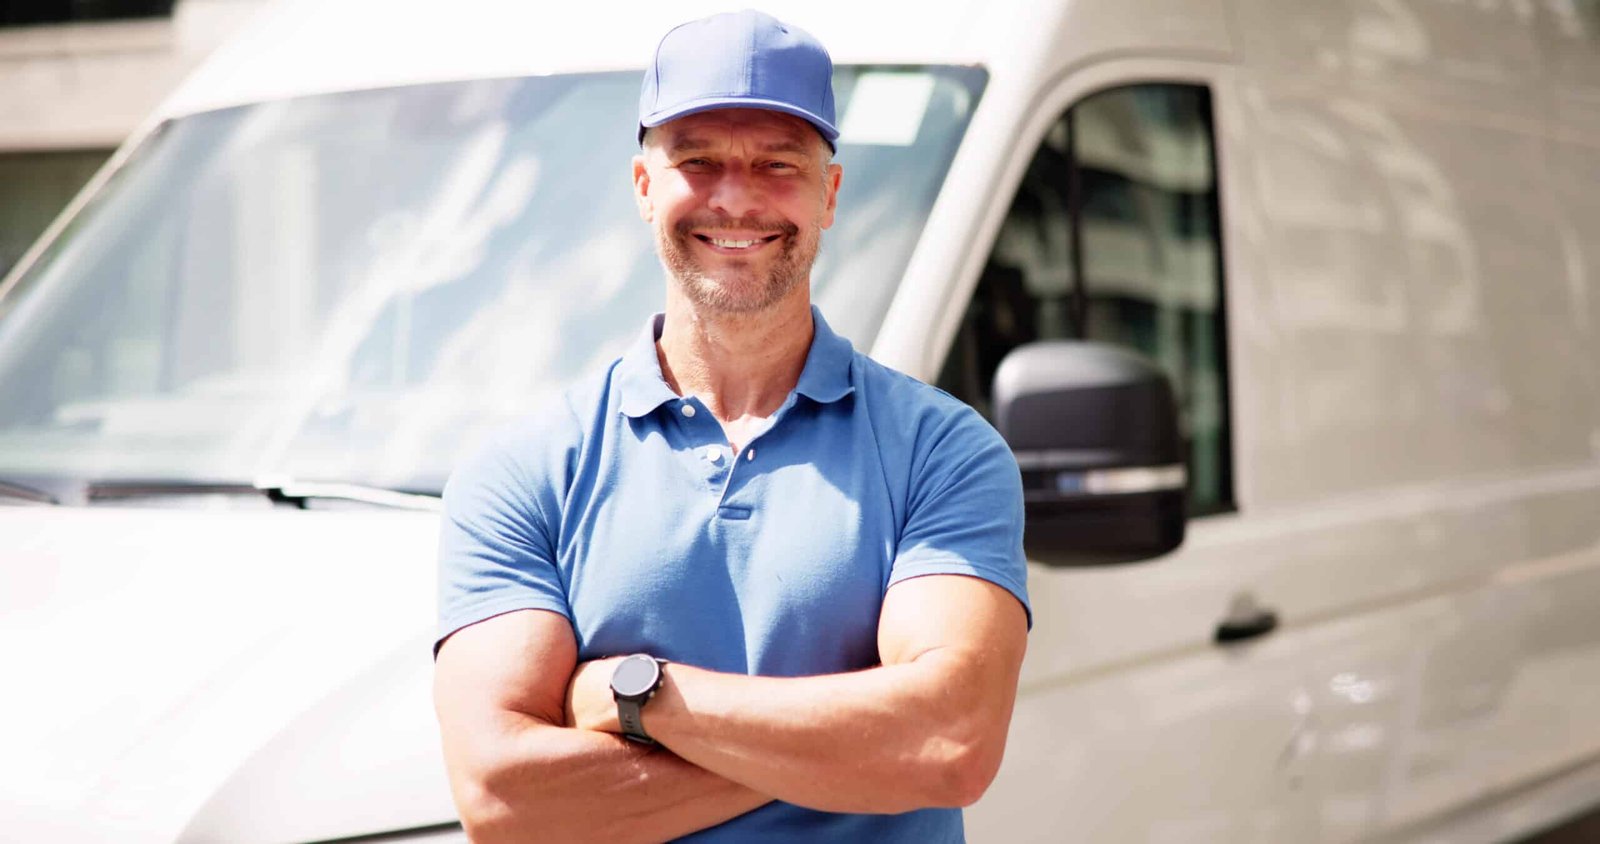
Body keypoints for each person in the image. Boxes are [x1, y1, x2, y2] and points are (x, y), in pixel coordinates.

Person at [432, 10, 1030, 843]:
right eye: (697, 160)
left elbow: (949, 742)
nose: (737, 197)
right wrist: (843, 751)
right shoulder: (527, 472)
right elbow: (503, 798)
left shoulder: (944, 452)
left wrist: (636, 696)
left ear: (830, 192)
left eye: (777, 164)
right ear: (645, 188)